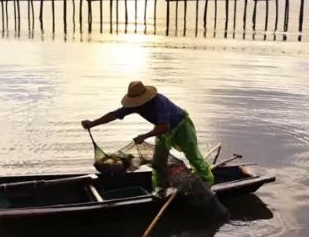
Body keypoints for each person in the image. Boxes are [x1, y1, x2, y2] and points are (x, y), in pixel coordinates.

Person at [81, 80, 215, 192]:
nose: (136, 104)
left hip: (181, 126)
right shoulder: (135, 105)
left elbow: (165, 126)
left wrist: (145, 136)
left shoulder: (159, 102)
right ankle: (160, 187)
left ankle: (207, 182)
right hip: (162, 130)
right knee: (158, 161)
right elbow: (113, 115)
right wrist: (93, 123)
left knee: (192, 155)